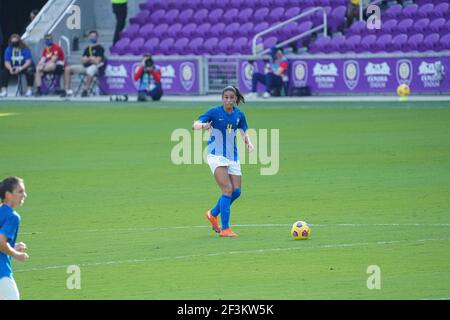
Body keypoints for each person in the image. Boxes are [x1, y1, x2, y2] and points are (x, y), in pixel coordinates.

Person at [192, 86, 254, 237]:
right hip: (216, 155)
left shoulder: (239, 114)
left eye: (231, 97)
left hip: (232, 156)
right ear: (222, 98)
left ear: (235, 99)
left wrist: (248, 142)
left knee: (237, 191)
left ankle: (212, 214)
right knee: (227, 190)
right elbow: (194, 125)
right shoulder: (214, 112)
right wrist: (204, 125)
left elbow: (243, 131)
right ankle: (225, 229)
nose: (228, 100)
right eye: (225, 97)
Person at [0, 176, 29, 300]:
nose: (24, 195)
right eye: (20, 191)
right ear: (8, 195)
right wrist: (16, 254)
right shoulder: (12, 216)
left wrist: (12, 246)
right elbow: (1, 242)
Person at [61, 30, 105, 97]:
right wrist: (91, 58)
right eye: (91, 36)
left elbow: (97, 61)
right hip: (85, 66)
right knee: (68, 69)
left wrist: (88, 59)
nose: (92, 38)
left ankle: (85, 90)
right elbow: (82, 60)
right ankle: (66, 90)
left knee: (90, 70)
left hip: (95, 67)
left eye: (94, 36)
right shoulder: (87, 48)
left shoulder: (100, 48)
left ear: (97, 37)